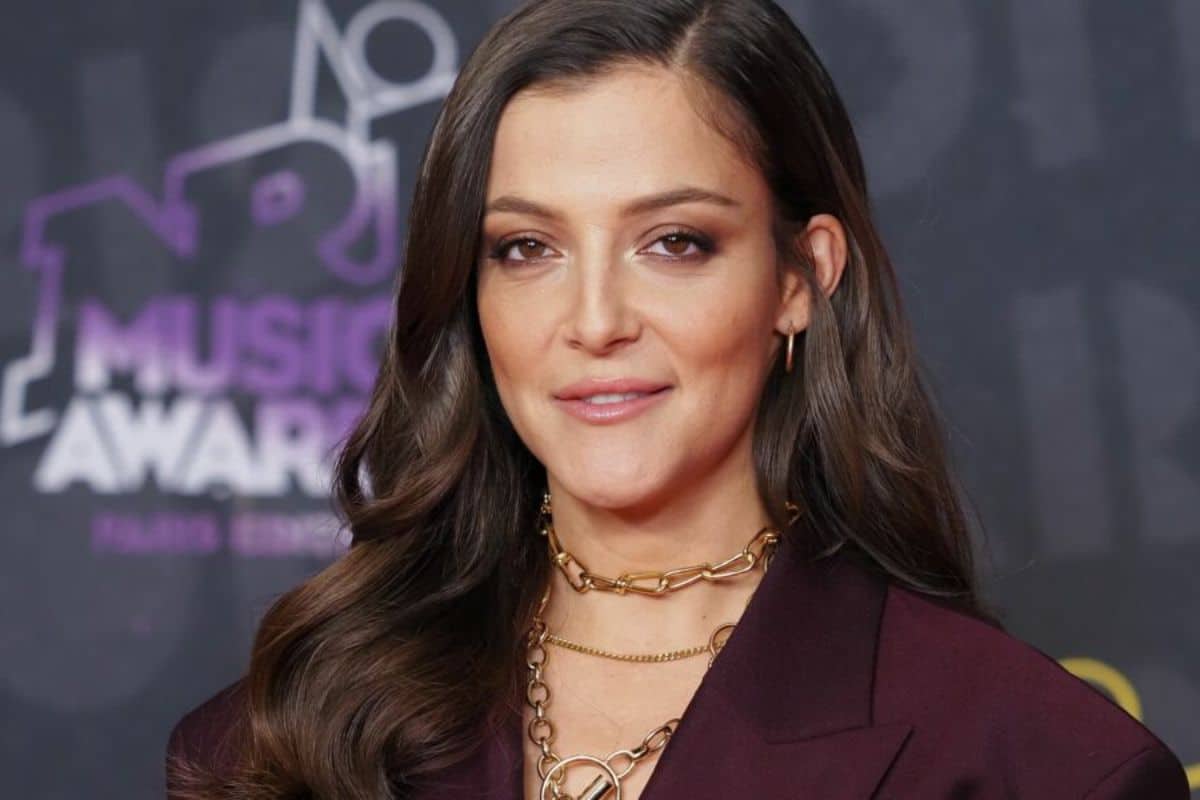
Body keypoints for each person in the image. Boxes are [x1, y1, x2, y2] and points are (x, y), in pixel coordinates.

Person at [165, 0, 1191, 797]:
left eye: (674, 242)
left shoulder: (1042, 766)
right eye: (526, 248)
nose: (594, 319)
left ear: (801, 276)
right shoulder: (280, 737)